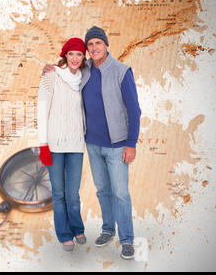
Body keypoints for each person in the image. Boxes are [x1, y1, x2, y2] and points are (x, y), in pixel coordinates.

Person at [42, 26, 141, 260]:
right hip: (92, 144)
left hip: (117, 145)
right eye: (90, 44)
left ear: (106, 45)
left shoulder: (121, 71)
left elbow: (135, 110)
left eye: (98, 42)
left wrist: (131, 143)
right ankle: (108, 229)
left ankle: (126, 239)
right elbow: (68, 71)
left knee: (120, 193)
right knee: (103, 190)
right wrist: (49, 69)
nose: (94, 47)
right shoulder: (85, 71)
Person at [37, 38, 87, 252]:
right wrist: (43, 144)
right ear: (65, 55)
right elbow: (41, 109)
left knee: (73, 193)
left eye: (79, 54)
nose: (75, 58)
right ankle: (64, 234)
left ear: (83, 57)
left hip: (76, 143)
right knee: (58, 193)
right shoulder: (51, 76)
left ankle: (77, 228)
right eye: (71, 54)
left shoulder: (85, 78)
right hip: (55, 145)